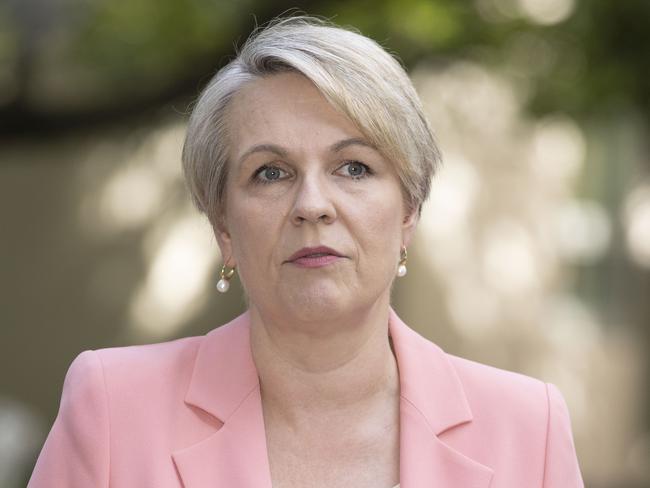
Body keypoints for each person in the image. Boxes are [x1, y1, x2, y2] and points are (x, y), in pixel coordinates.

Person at [28, 15, 584, 488]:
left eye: (354, 168)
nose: (312, 205)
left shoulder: (528, 427)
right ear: (223, 225)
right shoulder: (112, 408)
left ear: (409, 213)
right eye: (270, 173)